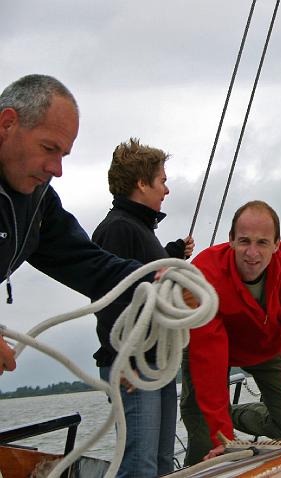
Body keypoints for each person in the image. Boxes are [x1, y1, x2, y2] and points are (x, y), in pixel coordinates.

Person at [0, 74, 142, 375]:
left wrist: (160, 282)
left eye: (63, 154)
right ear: (7, 124)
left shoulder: (38, 200)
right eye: (48, 148)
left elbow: (88, 264)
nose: (57, 169)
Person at [181, 200, 281, 465]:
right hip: (210, 350)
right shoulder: (205, 272)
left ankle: (236, 414)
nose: (252, 253)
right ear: (231, 240)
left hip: (267, 348)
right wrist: (222, 437)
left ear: (277, 244)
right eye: (244, 241)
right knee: (207, 445)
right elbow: (209, 357)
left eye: (262, 242)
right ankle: (218, 429)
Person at [92, 138, 194, 477]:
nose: (167, 189)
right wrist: (126, 360)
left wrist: (171, 253)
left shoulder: (137, 228)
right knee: (140, 466)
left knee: (162, 464)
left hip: (154, 362)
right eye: (162, 180)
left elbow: (143, 276)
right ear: (141, 183)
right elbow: (112, 300)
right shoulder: (118, 228)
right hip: (133, 366)